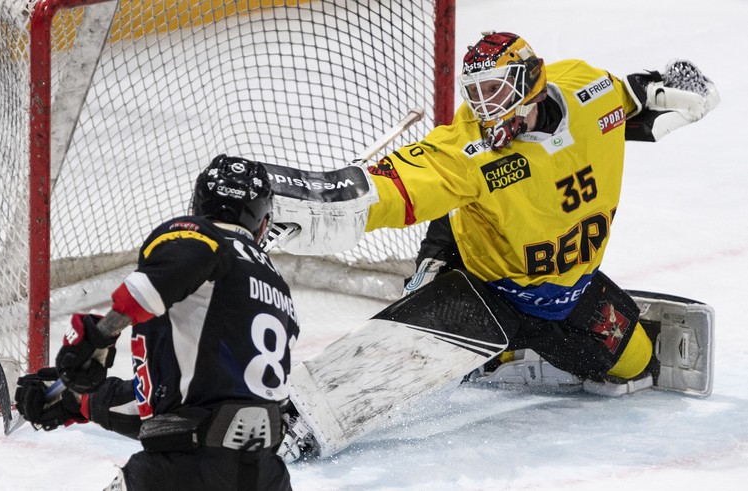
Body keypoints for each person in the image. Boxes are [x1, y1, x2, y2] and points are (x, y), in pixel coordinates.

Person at [274, 31, 718, 460]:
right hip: (486, 289)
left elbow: (631, 98)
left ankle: (507, 353)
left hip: (568, 293)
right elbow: (396, 190)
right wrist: (314, 205)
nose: (484, 107)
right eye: (475, 93)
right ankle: (296, 419)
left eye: (495, 90)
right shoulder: (467, 148)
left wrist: (671, 87)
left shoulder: (587, 88)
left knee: (637, 363)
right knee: (406, 353)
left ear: (531, 83)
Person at [14, 155, 299, 491]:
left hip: (183, 473)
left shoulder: (200, 238)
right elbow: (187, 415)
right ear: (263, 224)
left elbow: (159, 282)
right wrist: (78, 401)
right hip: (265, 477)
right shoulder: (278, 289)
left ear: (197, 206)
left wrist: (99, 337)